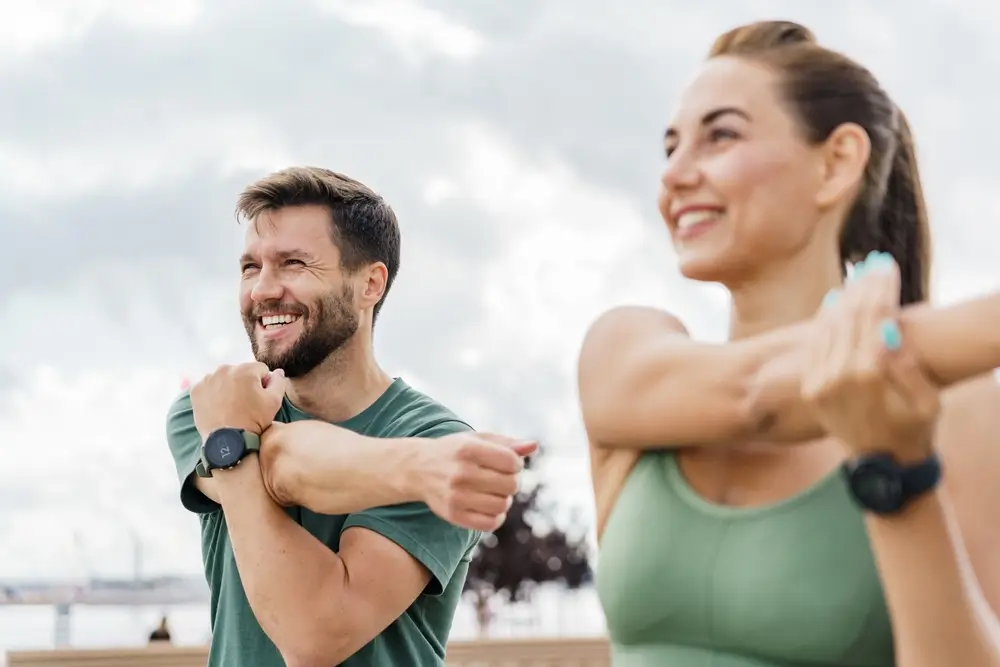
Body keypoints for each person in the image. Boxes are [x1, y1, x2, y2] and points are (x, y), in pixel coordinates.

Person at [578, 21, 1000, 667]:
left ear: (835, 164)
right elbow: (754, 394)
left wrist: (899, 474)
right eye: (670, 147)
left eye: (720, 135)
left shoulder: (963, 406)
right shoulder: (625, 348)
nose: (675, 175)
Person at [166, 166, 536, 667]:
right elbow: (283, 466)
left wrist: (232, 449)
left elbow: (315, 633)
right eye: (250, 267)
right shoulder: (208, 408)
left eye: (293, 263)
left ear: (370, 284)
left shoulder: (435, 439)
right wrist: (410, 469)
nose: (262, 290)